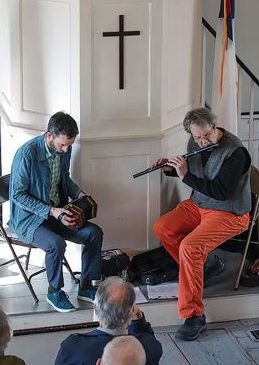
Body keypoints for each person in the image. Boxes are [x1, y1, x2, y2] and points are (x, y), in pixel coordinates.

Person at [153, 107, 251, 341]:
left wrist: (185, 176)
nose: (202, 141)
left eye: (206, 135)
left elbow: (221, 191)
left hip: (229, 212)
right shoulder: (194, 143)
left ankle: (194, 315)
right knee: (162, 227)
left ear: (214, 126)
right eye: (197, 137)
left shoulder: (236, 152)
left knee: (189, 247)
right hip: (200, 204)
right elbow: (199, 175)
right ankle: (203, 268)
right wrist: (171, 170)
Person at [9, 112, 103, 312]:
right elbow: (17, 195)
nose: (66, 149)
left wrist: (80, 195)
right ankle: (54, 291)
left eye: (69, 144)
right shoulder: (27, 154)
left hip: (57, 212)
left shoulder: (63, 150)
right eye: (62, 145)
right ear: (49, 136)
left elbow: (65, 179)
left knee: (94, 233)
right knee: (56, 244)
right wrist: (52, 211)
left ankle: (85, 287)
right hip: (29, 220)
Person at [54, 276, 163, 365]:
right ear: (131, 311)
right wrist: (139, 322)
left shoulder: (72, 346)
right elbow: (150, 343)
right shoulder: (146, 348)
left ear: (95, 309)